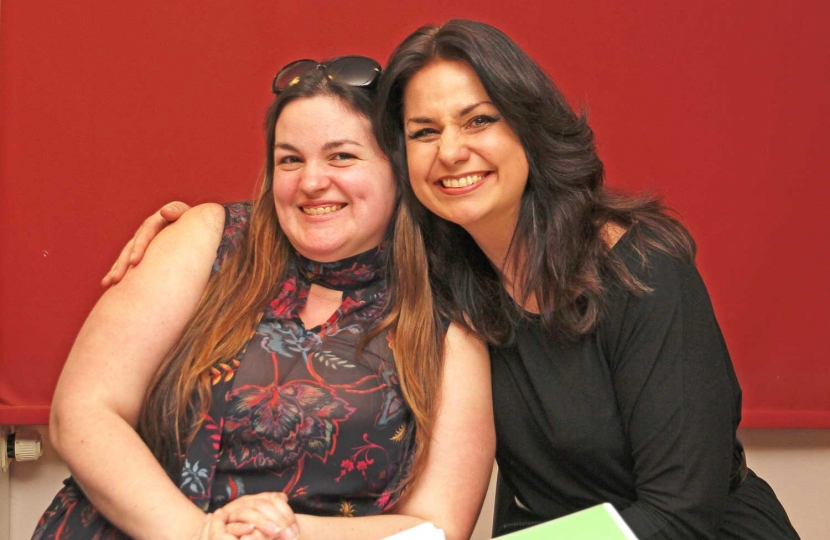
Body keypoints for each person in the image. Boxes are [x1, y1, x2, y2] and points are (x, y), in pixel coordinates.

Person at [106, 20, 800, 540]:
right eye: (424, 131)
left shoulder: (641, 271)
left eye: (478, 121)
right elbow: (319, 237)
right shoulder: (452, 272)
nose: (452, 151)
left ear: (528, 128)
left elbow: (683, 512)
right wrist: (194, 230)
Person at [35, 57, 494, 540]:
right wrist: (198, 533)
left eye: (342, 156)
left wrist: (281, 533)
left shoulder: (448, 325)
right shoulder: (209, 241)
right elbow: (85, 409)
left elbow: (439, 525)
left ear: (398, 169)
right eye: (290, 159)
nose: (312, 181)